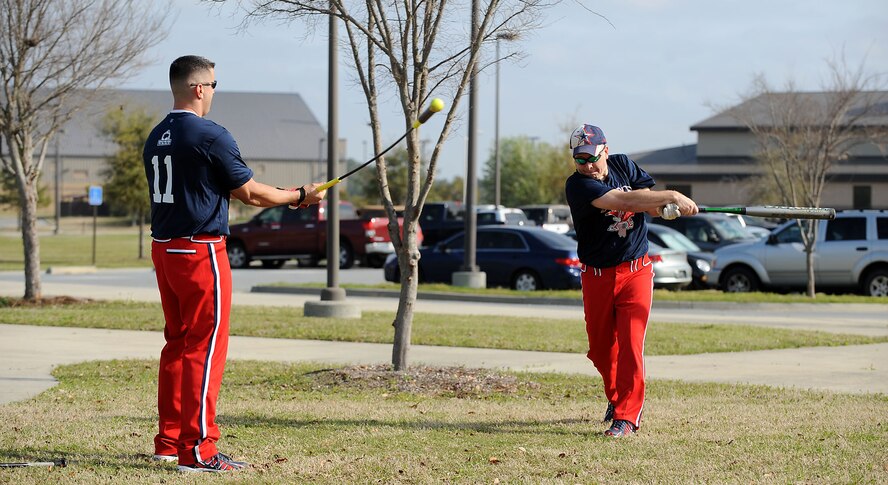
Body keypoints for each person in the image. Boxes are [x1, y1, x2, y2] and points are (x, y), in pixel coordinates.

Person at [143, 55, 327, 472]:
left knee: (177, 344)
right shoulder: (210, 134)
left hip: (165, 250)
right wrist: (300, 195)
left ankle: (169, 441)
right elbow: (251, 194)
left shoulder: (156, 136)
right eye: (213, 84)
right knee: (205, 349)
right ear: (199, 88)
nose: (213, 92)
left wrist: (289, 193)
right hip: (200, 252)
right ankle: (198, 450)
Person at [564, 124, 697, 438]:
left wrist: (662, 208)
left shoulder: (623, 165)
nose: (587, 166)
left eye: (592, 158)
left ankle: (626, 417)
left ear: (605, 150)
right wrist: (675, 195)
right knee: (600, 350)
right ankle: (616, 397)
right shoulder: (578, 186)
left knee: (630, 344)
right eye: (580, 160)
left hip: (635, 270)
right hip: (596, 276)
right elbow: (622, 202)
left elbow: (644, 200)